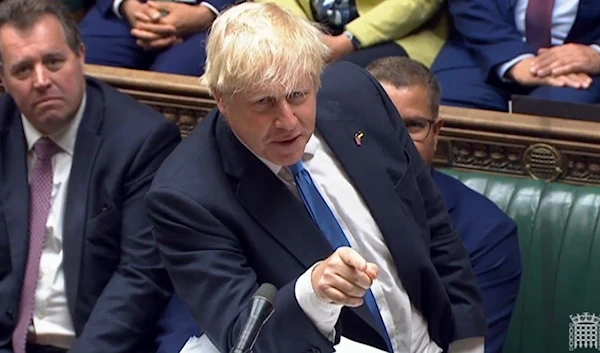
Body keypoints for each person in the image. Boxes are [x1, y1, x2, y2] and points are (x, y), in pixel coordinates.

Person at [146, 3, 486, 353]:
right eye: (263, 102)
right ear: (222, 98)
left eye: (298, 95)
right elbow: (241, 337)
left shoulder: (359, 95)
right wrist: (312, 292)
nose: (288, 121)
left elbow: (436, 230)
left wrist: (467, 343)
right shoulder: (187, 195)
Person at [0, 0, 186, 352]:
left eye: (53, 62)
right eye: (23, 70)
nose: (41, 81)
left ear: (81, 56)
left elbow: (142, 276)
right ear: (4, 80)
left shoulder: (141, 141)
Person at [367, 56, 523, 353]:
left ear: (436, 132)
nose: (397, 141)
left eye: (412, 126)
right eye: (382, 122)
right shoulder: (322, 197)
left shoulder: (487, 233)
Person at [431, 0, 600, 111]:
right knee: (440, 107)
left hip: (582, 63)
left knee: (552, 116)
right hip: (484, 45)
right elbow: (471, 6)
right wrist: (515, 61)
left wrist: (596, 55)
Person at [256, 0, 447, 68]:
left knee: (333, 82)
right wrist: (303, 33)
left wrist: (349, 40)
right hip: (308, 32)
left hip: (399, 34)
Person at [78, 0, 233, 76]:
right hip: (122, 12)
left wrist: (205, 14)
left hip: (211, 19)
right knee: (83, 64)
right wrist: (127, 5)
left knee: (172, 82)